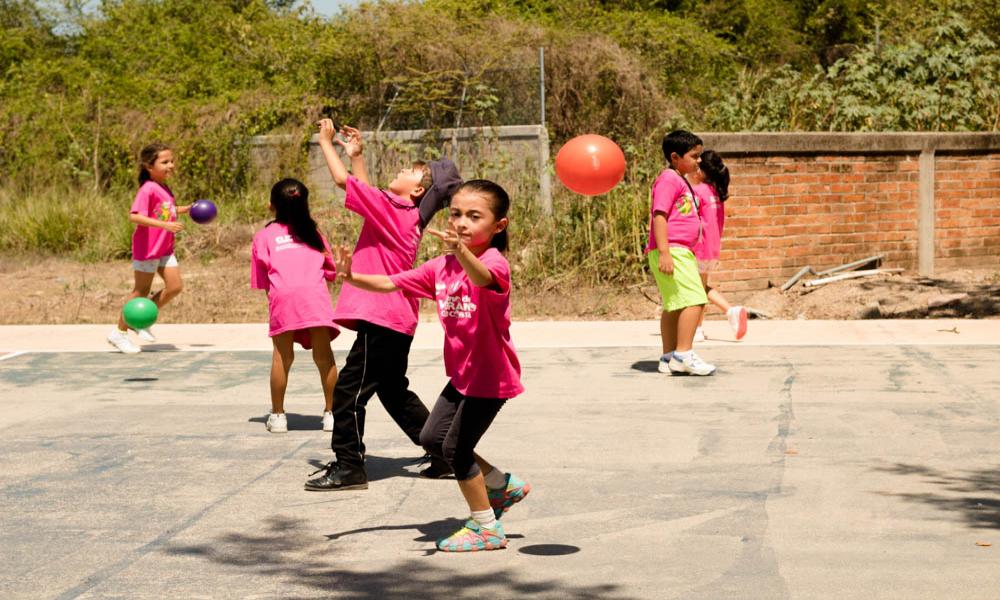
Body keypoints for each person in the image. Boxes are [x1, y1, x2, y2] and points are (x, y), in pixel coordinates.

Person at [332, 179, 529, 552]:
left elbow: (484, 279)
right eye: (456, 214)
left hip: (490, 376)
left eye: (474, 216)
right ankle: (502, 485)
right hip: (463, 375)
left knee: (455, 449)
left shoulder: (492, 262)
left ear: (498, 226)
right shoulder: (442, 267)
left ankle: (486, 528)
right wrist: (351, 277)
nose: (461, 223)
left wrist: (462, 253)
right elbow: (392, 283)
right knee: (431, 439)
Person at [305, 120, 462, 491]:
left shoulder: (395, 212)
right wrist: (356, 155)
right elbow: (366, 193)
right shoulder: (403, 215)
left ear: (419, 190)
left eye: (410, 170)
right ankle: (442, 453)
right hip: (396, 319)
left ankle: (349, 466)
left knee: (348, 392)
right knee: (392, 390)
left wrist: (326, 143)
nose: (401, 169)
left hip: (382, 318)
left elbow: (347, 185)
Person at [251, 178, 340, 434]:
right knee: (324, 357)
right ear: (305, 204)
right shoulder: (315, 234)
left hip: (283, 298)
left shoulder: (264, 236)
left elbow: (263, 280)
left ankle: (278, 416)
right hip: (314, 298)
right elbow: (331, 272)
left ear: (272, 206)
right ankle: (331, 414)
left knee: (282, 357)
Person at [107, 142, 190, 354]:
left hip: (164, 248)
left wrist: (185, 209)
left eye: (172, 161)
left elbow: (164, 211)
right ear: (148, 166)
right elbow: (134, 216)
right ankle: (119, 332)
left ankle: (140, 320)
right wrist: (165, 225)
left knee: (175, 286)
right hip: (148, 248)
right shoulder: (148, 188)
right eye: (165, 162)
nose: (171, 165)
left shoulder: (163, 186)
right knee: (141, 291)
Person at [648, 130, 716, 376]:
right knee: (696, 299)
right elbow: (660, 215)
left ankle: (668, 357)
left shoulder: (681, 179)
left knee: (674, 305)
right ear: (675, 157)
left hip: (678, 250)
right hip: (672, 249)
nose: (699, 160)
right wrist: (665, 251)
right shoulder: (669, 179)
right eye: (694, 156)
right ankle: (683, 354)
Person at [689, 150, 747, 342]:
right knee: (700, 287)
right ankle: (698, 329)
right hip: (711, 248)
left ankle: (730, 310)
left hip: (698, 247)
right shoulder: (717, 193)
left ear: (702, 172)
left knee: (697, 289)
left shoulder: (697, 192)